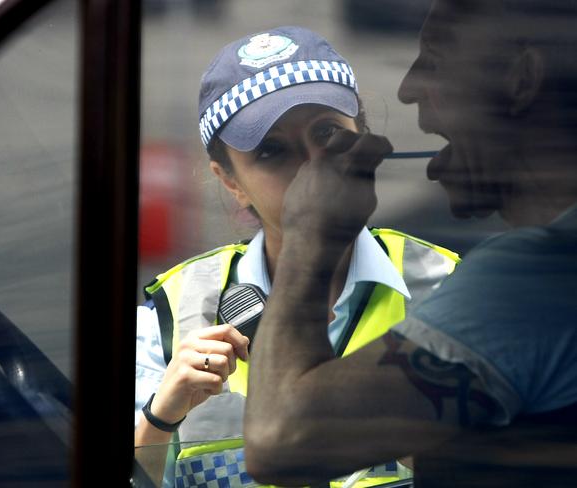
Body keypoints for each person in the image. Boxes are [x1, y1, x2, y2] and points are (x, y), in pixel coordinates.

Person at [243, 2, 577, 487]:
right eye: (270, 150)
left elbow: (280, 442)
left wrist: (310, 238)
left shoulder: (532, 277)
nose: (408, 88)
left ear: (521, 78)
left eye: (435, 60)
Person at [134, 26, 462, 487]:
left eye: (328, 133)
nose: (312, 163)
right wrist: (160, 418)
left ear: (362, 136)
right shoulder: (168, 320)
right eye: (271, 151)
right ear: (230, 181)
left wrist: (436, 452)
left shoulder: (452, 290)